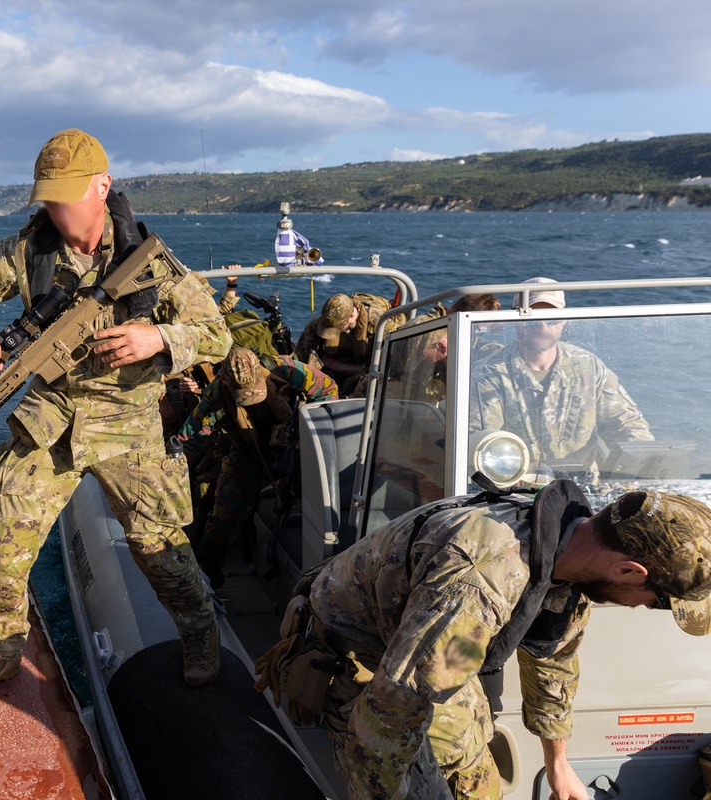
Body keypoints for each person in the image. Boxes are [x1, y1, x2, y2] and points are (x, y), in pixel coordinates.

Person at [0, 129, 231, 702]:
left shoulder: (152, 261)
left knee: (159, 545)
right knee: (6, 535)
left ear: (103, 186)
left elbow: (215, 333)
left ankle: (200, 635)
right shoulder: (28, 253)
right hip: (53, 415)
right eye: (49, 197)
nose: (57, 209)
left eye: (67, 195)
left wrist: (158, 337)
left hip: (130, 419)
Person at [267, 481, 711, 799]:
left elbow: (553, 658)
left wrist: (558, 766)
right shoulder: (482, 580)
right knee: (418, 760)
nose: (642, 607)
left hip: (419, 645)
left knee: (475, 773)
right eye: (656, 602)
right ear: (628, 571)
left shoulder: (570, 543)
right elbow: (389, 716)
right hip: (358, 662)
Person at [178, 347, 337, 587]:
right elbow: (192, 436)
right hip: (247, 452)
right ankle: (209, 575)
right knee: (223, 514)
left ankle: (325, 573)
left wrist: (305, 428)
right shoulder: (217, 393)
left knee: (322, 503)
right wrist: (173, 473)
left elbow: (329, 391)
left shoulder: (285, 369)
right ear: (225, 380)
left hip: (296, 448)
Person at [470, 278, 651, 468]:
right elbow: (480, 438)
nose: (543, 326)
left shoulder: (589, 367)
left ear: (564, 320)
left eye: (552, 318)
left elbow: (627, 423)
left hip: (583, 490)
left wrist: (638, 465)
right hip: (517, 490)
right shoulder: (490, 374)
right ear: (516, 321)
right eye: (532, 319)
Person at [295, 292, 401, 394]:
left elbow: (389, 369)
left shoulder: (381, 326)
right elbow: (301, 355)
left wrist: (343, 367)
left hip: (368, 368)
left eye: (337, 328)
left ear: (351, 317)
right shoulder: (324, 321)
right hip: (339, 365)